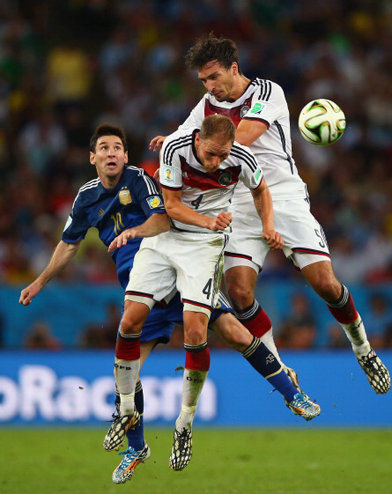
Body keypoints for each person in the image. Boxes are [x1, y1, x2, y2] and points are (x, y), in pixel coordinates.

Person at [19, 122, 320, 485]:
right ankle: (136, 445)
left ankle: (289, 392)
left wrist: (151, 227)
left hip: (178, 266)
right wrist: (39, 281)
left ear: (126, 156)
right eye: (104, 148)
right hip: (146, 279)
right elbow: (69, 244)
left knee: (232, 332)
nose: (111, 153)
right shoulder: (86, 198)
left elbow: (165, 217)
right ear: (92, 157)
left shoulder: (140, 181)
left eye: (118, 148)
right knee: (125, 370)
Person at [150, 34, 390, 395]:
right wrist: (170, 146)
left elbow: (239, 137)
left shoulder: (267, 93)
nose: (210, 87)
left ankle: (363, 348)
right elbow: (183, 140)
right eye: (203, 81)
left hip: (282, 194)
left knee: (325, 283)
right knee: (239, 292)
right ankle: (278, 366)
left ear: (234, 68)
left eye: (214, 77)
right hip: (239, 204)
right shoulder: (206, 104)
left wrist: (191, 147)